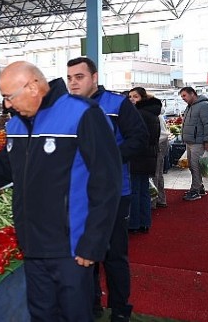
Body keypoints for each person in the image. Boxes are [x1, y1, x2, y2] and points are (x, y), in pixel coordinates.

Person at [0, 61, 121, 321]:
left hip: (71, 248)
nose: (6, 105)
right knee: (41, 315)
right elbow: (0, 172)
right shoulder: (15, 126)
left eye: (8, 97)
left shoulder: (83, 114)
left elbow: (107, 181)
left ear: (33, 87)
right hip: (33, 245)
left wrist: (93, 242)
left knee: (74, 315)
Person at [67, 57, 147, 321]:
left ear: (94, 77)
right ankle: (91, 306)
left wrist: (108, 158)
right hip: (80, 196)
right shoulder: (68, 109)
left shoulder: (118, 104)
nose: (73, 82)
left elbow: (140, 139)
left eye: (79, 77)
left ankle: (120, 310)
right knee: (83, 253)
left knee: (114, 256)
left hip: (114, 193)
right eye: (70, 78)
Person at [127, 87, 161, 234]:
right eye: (130, 96)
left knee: (134, 191)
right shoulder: (153, 114)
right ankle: (145, 222)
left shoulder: (137, 114)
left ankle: (133, 224)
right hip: (149, 156)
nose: (132, 99)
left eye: (135, 97)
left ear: (143, 98)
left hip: (137, 156)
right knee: (143, 191)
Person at [179, 87, 208, 201]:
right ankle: (199, 187)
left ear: (192, 94)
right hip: (190, 142)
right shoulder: (190, 106)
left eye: (184, 95)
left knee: (195, 167)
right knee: (192, 166)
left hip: (198, 142)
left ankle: (195, 191)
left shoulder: (204, 106)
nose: (183, 98)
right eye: (182, 96)